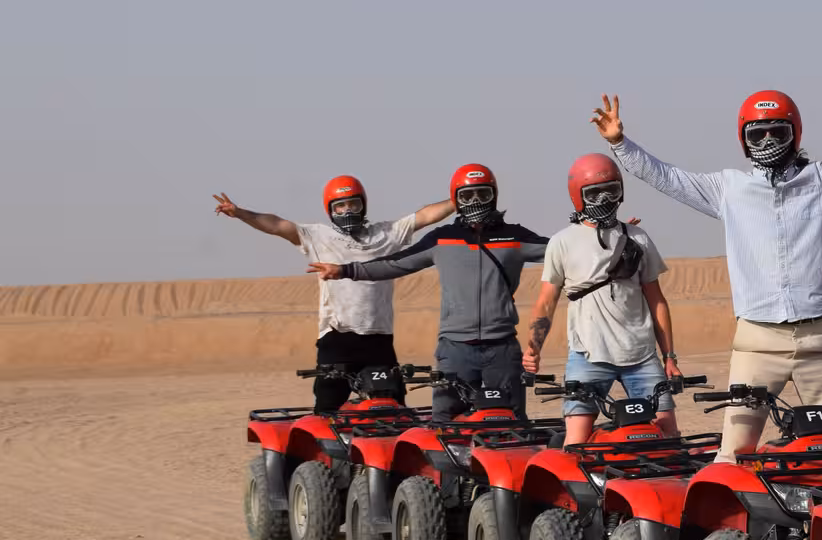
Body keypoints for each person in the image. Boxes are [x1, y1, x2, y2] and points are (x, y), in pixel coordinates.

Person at [591, 80, 822, 458]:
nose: (767, 140)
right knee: (734, 454)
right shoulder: (728, 189)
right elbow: (666, 177)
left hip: (816, 341)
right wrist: (620, 144)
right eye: (757, 132)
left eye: (777, 131)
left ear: (795, 133)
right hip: (756, 342)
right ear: (743, 139)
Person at [308, 164, 550, 421]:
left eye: (483, 194)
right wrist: (346, 270)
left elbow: (563, 250)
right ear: (456, 200)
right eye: (467, 196)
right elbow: (394, 263)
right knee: (445, 426)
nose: (476, 201)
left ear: (494, 195)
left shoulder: (515, 237)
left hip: (502, 349)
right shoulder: (441, 239)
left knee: (510, 423)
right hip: (455, 350)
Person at [213, 177, 454, 411]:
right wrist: (241, 213)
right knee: (328, 412)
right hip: (337, 339)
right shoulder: (317, 236)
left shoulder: (386, 234)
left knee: (393, 410)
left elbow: (424, 216)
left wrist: (458, 198)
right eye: (340, 206)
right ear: (330, 210)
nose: (347, 210)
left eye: (353, 204)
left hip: (379, 339)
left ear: (364, 205)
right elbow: (277, 225)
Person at [522, 153, 683, 446]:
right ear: (578, 196)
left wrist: (669, 357)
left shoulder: (638, 238)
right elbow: (546, 302)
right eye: (595, 193)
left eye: (612, 190)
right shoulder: (562, 242)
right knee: (577, 441)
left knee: (668, 435)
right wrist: (533, 349)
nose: (605, 198)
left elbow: (657, 300)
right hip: (588, 356)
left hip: (642, 356)